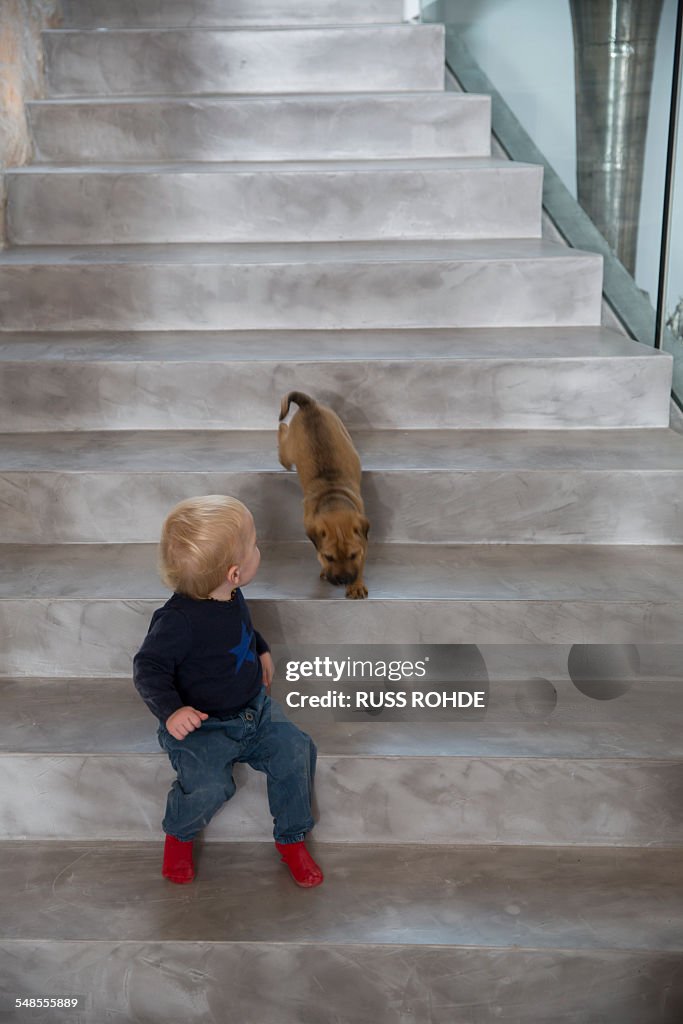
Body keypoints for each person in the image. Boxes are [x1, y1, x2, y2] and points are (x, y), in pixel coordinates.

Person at [133, 494, 323, 888]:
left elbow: (238, 631)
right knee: (211, 784)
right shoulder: (177, 622)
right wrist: (171, 711)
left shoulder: (229, 594)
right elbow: (148, 667)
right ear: (234, 572)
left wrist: (260, 648)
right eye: (254, 545)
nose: (260, 549)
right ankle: (180, 833)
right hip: (203, 726)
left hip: (252, 710)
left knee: (296, 751)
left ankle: (291, 837)